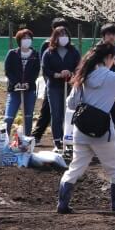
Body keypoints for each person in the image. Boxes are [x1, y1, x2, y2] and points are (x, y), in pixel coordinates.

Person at [57, 42, 115, 214]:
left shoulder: (83, 75)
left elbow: (71, 103)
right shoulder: (110, 77)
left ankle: (62, 203)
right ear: (108, 58)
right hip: (101, 132)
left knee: (75, 168)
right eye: (113, 57)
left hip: (81, 130)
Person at [40, 25, 80, 151]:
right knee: (56, 113)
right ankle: (57, 140)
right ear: (55, 37)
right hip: (54, 86)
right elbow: (45, 68)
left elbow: (79, 66)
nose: (63, 37)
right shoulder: (49, 52)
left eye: (65, 34)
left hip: (69, 86)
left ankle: (68, 139)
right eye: (60, 35)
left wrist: (71, 73)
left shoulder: (73, 51)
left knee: (68, 113)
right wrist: (56, 74)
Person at [32, 17, 69, 145]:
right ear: (53, 29)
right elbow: (44, 65)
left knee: (61, 111)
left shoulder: (68, 45)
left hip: (65, 83)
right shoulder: (46, 45)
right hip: (52, 83)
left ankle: (64, 137)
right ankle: (36, 136)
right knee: (48, 110)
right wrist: (51, 79)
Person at [3, 28, 41, 137]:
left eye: (29, 38)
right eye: (24, 38)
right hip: (14, 90)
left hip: (29, 90)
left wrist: (28, 83)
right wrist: (16, 82)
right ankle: (4, 140)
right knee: (8, 117)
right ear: (19, 40)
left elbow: (36, 71)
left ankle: (26, 140)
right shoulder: (12, 53)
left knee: (28, 117)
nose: (27, 40)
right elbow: (8, 70)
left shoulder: (35, 54)